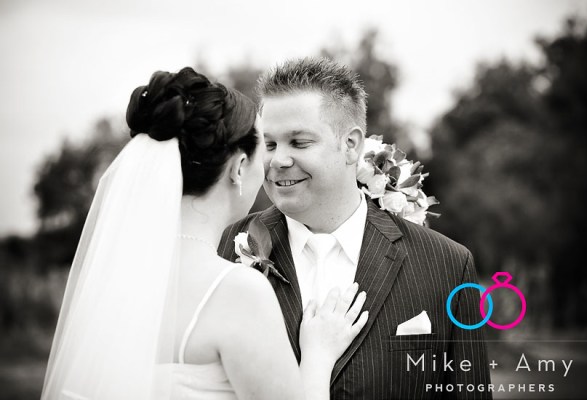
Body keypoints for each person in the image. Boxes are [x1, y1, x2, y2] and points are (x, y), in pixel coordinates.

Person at [41, 67, 368, 400]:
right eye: (265, 148)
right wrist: (318, 357)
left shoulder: (113, 279)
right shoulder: (239, 292)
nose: (273, 163)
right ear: (239, 168)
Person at [219, 58, 492, 399]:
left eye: (299, 143)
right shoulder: (223, 251)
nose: (277, 161)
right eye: (270, 145)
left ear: (350, 145)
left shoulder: (447, 265)